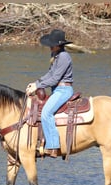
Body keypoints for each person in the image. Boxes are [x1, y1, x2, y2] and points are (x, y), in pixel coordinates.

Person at [26, 29, 74, 158]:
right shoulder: (56, 55)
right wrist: (36, 83)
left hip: (63, 90)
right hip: (57, 90)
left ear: (59, 45)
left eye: (52, 45)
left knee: (47, 112)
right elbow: (49, 74)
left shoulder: (64, 57)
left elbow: (55, 78)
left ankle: (53, 146)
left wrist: (38, 85)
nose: (50, 47)